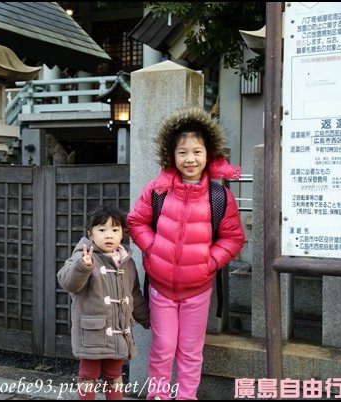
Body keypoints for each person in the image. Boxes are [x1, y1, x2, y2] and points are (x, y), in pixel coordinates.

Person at [127, 107, 245, 400]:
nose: (190, 159)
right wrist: (153, 250)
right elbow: (136, 221)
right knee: (163, 348)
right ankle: (158, 396)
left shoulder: (220, 197)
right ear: (171, 155)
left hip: (198, 288)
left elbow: (233, 238)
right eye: (182, 152)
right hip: (161, 287)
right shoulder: (158, 191)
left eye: (196, 151)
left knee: (191, 351)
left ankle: (187, 396)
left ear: (209, 154)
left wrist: (211, 261)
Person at [57, 204, 150, 400]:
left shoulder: (127, 262)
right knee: (88, 376)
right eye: (102, 230)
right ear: (90, 234)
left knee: (114, 376)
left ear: (122, 234)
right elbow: (68, 282)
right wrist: (83, 266)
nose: (109, 235)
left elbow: (134, 296)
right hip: (91, 334)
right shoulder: (83, 257)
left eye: (115, 230)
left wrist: (149, 320)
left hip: (118, 332)